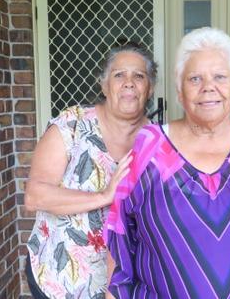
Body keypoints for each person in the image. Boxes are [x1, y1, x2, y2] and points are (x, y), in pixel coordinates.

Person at [105, 28, 230, 298]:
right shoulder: (150, 147)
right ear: (179, 91)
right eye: (195, 78)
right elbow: (120, 238)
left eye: (220, 77)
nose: (208, 87)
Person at [24, 42, 157, 299]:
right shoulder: (72, 126)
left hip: (121, 288)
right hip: (58, 281)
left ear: (149, 88)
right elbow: (35, 196)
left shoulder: (157, 142)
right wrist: (104, 196)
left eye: (139, 76)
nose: (129, 82)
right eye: (119, 75)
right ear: (104, 85)